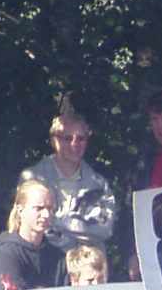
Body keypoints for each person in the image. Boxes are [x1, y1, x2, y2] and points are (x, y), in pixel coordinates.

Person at [27, 107, 119, 258]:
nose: (75, 143)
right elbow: (32, 226)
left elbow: (105, 229)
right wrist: (77, 230)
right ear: (53, 140)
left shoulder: (99, 185)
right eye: (67, 138)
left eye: (81, 138)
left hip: (89, 267)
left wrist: (59, 222)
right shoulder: (32, 179)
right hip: (44, 262)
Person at [0, 180, 66, 290]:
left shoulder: (58, 257)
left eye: (50, 208)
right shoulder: (6, 255)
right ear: (20, 210)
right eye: (39, 208)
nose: (46, 215)